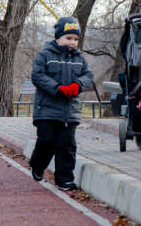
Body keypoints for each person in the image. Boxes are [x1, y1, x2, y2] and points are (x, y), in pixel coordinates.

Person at [29, 16, 94, 191]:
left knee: (66, 145)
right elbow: (37, 75)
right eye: (68, 38)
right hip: (47, 111)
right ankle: (38, 164)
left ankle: (65, 179)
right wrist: (57, 88)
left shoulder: (80, 59)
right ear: (58, 38)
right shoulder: (45, 55)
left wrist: (77, 85)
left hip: (69, 112)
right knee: (47, 141)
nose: (72, 42)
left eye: (75, 39)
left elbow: (88, 76)